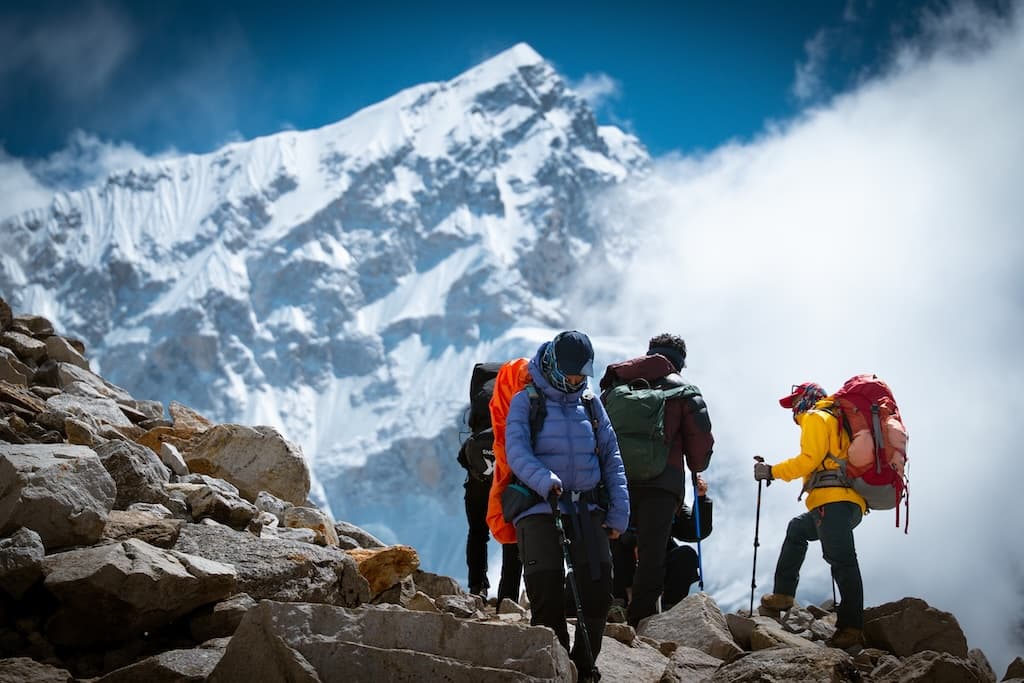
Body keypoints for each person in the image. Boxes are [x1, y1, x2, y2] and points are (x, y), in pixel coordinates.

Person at [504, 330, 629, 679]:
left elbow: (611, 456)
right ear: (553, 364)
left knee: (599, 588)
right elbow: (517, 451)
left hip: (587, 507)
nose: (574, 381)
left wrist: (619, 511)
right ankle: (556, 668)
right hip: (539, 506)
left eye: (580, 375)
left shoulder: (589, 402)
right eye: (569, 374)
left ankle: (585, 665)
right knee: (546, 590)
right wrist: (545, 479)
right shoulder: (526, 400)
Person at [599, 333, 714, 627]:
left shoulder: (618, 385)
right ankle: (644, 621)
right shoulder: (685, 391)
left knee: (610, 541)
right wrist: (695, 470)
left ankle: (606, 606)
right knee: (653, 553)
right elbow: (699, 452)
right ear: (680, 363)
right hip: (662, 484)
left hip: (617, 478)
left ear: (650, 354)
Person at [753, 382, 867, 651]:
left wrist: (772, 471)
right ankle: (783, 595)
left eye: (795, 401)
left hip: (833, 502)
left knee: (842, 561)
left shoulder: (816, 417)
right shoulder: (836, 420)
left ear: (808, 399)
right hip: (845, 504)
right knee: (797, 529)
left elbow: (809, 459)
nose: (793, 408)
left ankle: (851, 627)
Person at [611, 474, 713, 616]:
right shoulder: (617, 495)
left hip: (657, 559)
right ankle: (616, 606)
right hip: (624, 562)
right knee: (614, 548)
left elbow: (695, 531)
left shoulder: (666, 499)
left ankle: (669, 608)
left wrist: (701, 499)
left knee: (685, 555)